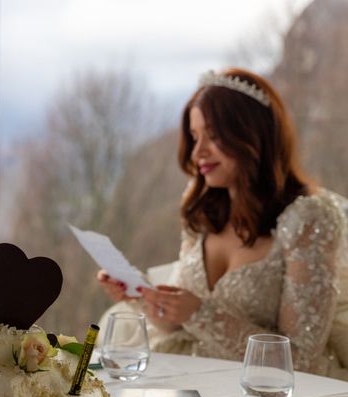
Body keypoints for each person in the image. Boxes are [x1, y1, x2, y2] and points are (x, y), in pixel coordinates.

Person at [98, 67, 348, 379]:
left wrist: (201, 314)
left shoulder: (309, 218)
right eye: (194, 136)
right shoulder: (201, 206)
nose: (198, 152)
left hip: (261, 395)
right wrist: (139, 295)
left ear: (252, 135)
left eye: (213, 136)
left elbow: (300, 358)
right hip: (186, 379)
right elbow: (175, 323)